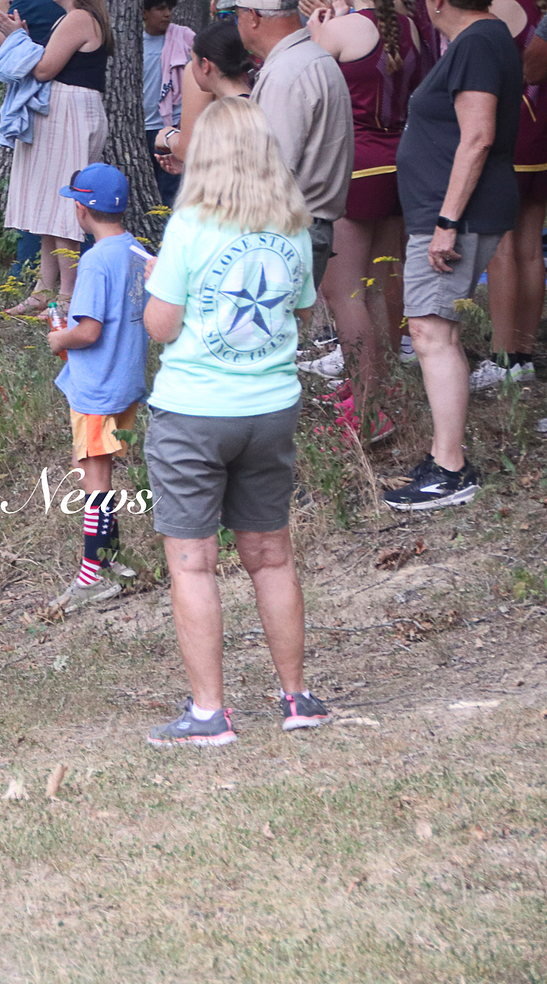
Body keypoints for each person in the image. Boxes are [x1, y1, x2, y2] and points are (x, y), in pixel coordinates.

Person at [141, 97, 330, 746]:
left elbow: (161, 326)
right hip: (270, 410)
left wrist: (158, 284)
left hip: (194, 412)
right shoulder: (294, 228)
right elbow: (299, 312)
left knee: (193, 563)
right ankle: (298, 698)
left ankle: (210, 713)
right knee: (272, 556)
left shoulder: (190, 225)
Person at [384, 0, 521, 509]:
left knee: (430, 332)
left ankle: (450, 471)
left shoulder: (477, 42)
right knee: (437, 330)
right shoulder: (482, 38)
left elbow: (478, 136)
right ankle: (445, 457)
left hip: (454, 215)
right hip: (449, 211)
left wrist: (447, 221)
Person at [303, 0, 424, 440]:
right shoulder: (410, 25)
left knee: (344, 293)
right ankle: (376, 387)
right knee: (377, 285)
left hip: (353, 166)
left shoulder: (343, 30)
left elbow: (307, 89)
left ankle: (368, 410)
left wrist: (317, 33)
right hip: (397, 163)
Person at [43, 164, 148, 613]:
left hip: (96, 386)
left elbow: (88, 332)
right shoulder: (136, 250)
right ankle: (112, 561)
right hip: (124, 379)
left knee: (93, 477)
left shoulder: (94, 261)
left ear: (82, 210)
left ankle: (92, 576)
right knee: (96, 468)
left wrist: (59, 339)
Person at [0, 0, 114, 314]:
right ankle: (42, 291)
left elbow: (44, 69)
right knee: (50, 205)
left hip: (69, 112)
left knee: (63, 207)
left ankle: (67, 297)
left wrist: (17, 36)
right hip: (65, 110)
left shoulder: (79, 18)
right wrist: (16, 35)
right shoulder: (72, 18)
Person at [236, 0, 354, 289]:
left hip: (282, 235)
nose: (235, 24)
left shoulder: (286, 74)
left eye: (234, 15)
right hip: (303, 230)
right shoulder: (313, 57)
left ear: (253, 16)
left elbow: (270, 175)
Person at [479, 0, 545, 390]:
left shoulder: (501, 7)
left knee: (500, 244)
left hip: (511, 132)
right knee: (530, 247)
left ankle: (503, 359)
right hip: (541, 134)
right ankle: (523, 356)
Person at [0, 0, 68, 281]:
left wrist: (15, 34)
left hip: (48, 101)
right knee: (47, 190)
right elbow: (0, 42)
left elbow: (2, 44)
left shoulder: (41, 7)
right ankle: (41, 277)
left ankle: (39, 271)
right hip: (41, 100)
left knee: (50, 191)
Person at [153, 17, 256, 168]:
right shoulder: (254, 105)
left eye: (192, 59)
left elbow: (189, 150)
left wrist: (168, 137)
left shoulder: (224, 114)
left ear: (206, 65)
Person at [143, 0, 195, 205]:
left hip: (171, 127)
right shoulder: (135, 43)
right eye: (160, 9)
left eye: (169, 9)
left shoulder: (183, 38)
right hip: (143, 128)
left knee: (170, 190)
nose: (167, 14)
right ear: (145, 13)